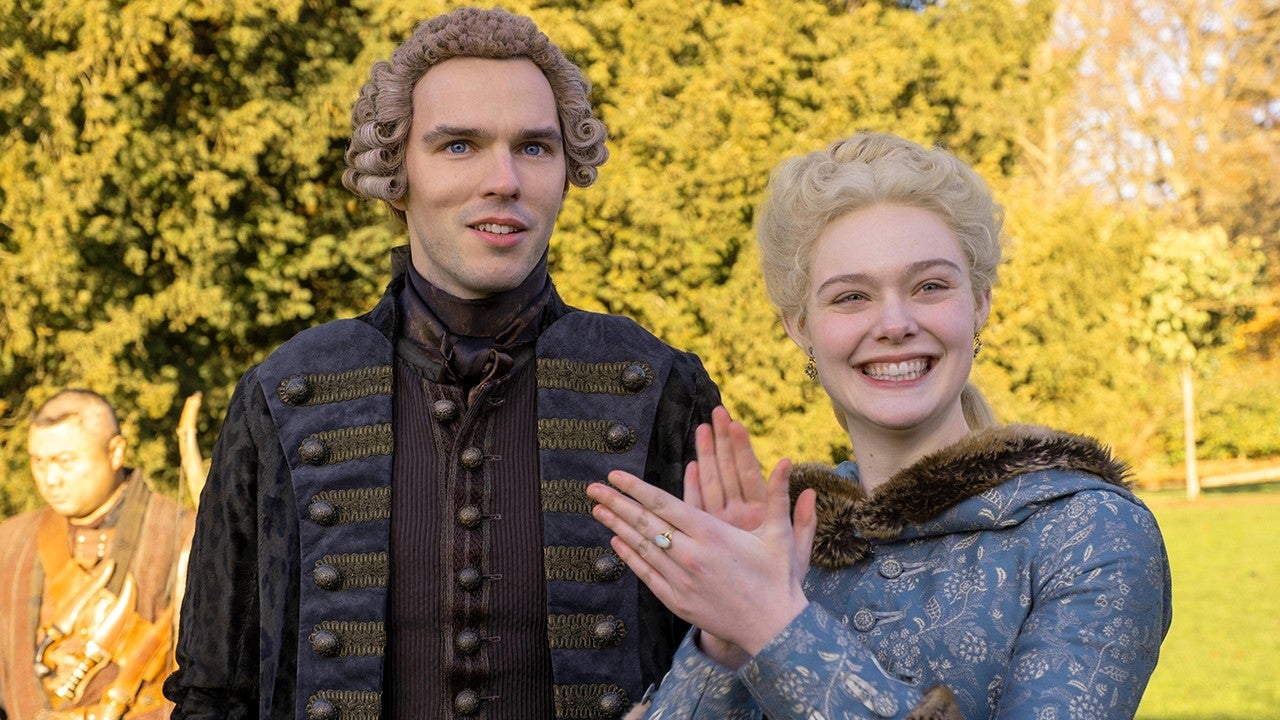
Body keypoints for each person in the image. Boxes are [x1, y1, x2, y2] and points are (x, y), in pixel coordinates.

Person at [162, 7, 720, 720]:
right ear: (396, 173)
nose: (504, 179)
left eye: (535, 147)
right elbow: (215, 689)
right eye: (460, 145)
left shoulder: (658, 390)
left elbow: (731, 656)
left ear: (567, 172)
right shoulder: (287, 396)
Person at [589, 132, 1173, 719]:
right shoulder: (783, 542)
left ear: (980, 303)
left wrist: (774, 625)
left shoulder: (1089, 533)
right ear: (800, 327)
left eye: (930, 286)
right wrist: (726, 636)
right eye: (851, 297)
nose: (894, 323)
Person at [0, 389, 194, 720]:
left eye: (65, 461)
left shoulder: (186, 535)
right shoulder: (9, 541)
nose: (50, 479)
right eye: (38, 462)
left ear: (115, 451)